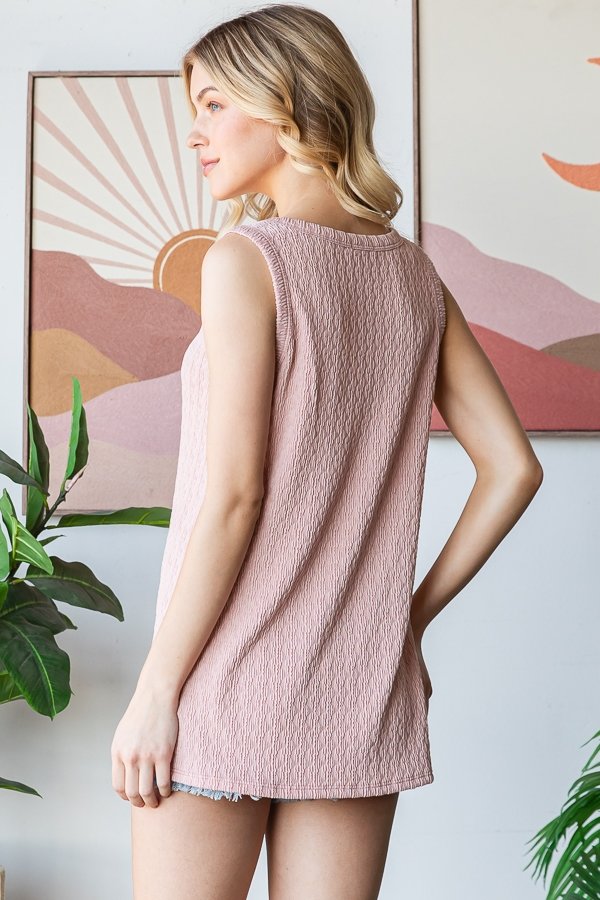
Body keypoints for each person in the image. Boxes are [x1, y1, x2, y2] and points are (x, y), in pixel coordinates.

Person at [110, 4, 544, 898]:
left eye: (214, 103)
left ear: (287, 102)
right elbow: (513, 468)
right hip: (358, 692)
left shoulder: (246, 258)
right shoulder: (413, 273)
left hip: (223, 680)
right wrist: (405, 625)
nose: (195, 132)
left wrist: (156, 690)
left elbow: (236, 497)